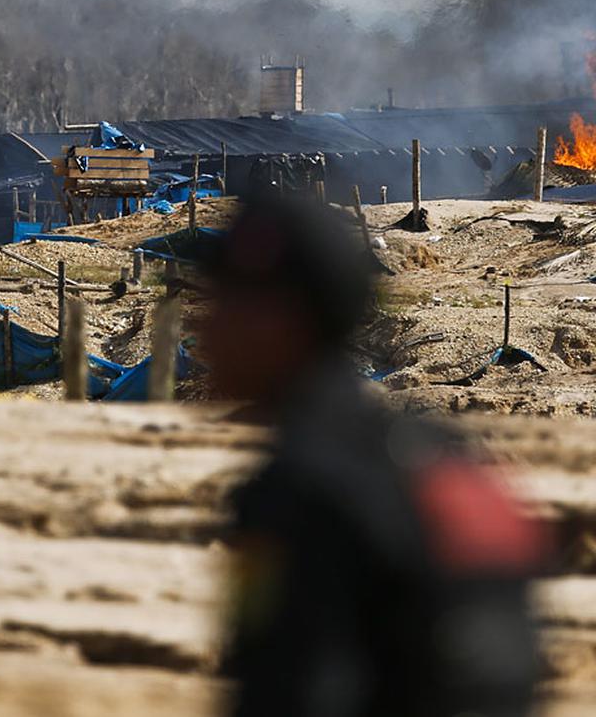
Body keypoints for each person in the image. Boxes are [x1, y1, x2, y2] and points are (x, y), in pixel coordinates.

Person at [203, 194, 547, 717]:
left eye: (225, 302)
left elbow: (289, 689)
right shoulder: (447, 456)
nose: (206, 331)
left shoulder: (296, 492)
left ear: (285, 319)